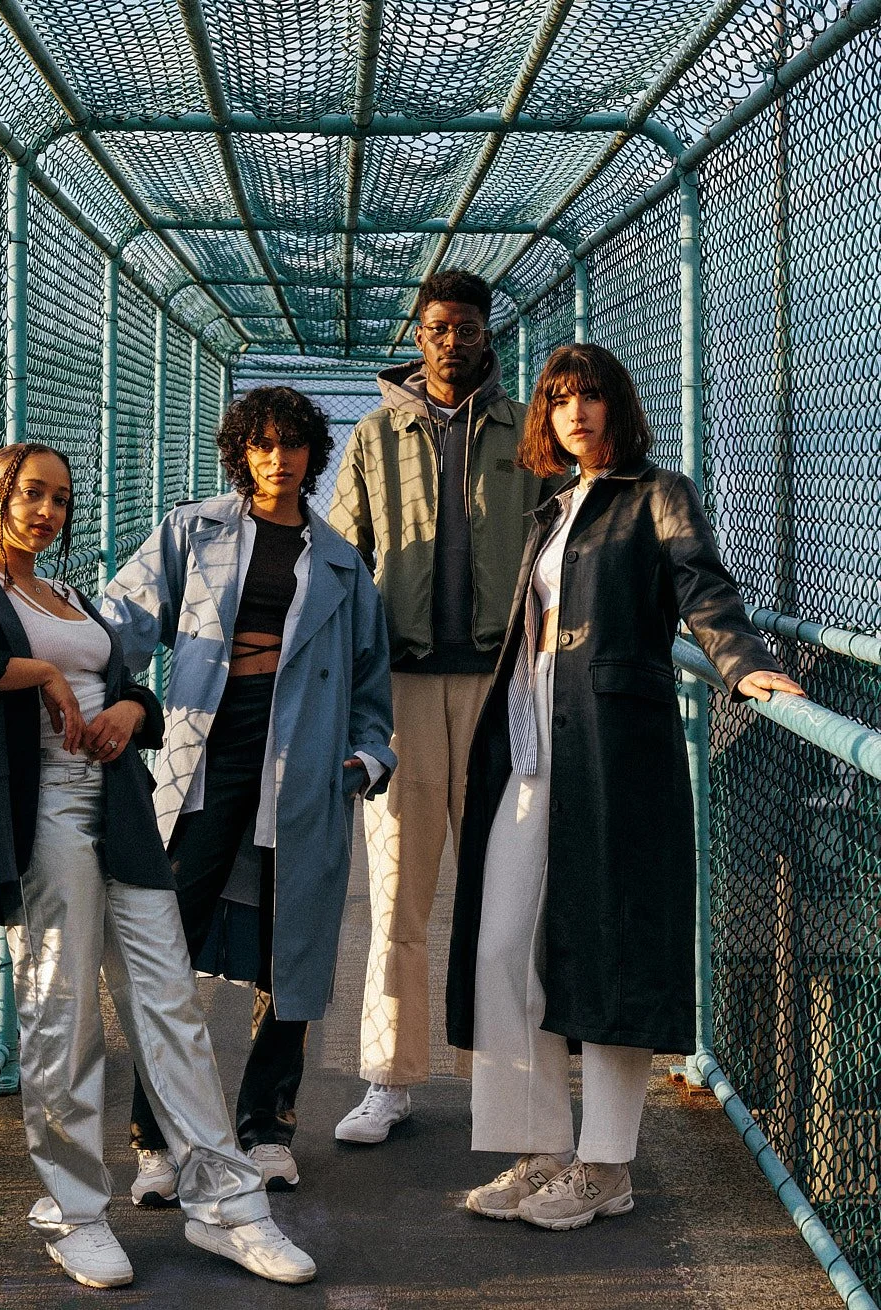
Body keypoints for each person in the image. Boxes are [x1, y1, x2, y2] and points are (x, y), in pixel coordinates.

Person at [0, 443, 316, 1290]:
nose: (47, 512)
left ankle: (227, 1206)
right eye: (31, 494)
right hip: (44, 811)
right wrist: (43, 674)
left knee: (170, 999)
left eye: (59, 500)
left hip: (121, 808)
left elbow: (133, 689)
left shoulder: (68, 592)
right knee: (64, 1014)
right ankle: (74, 1214)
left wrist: (127, 709)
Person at [446, 344, 805, 1229]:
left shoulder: (658, 493)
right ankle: (540, 1147)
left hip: (615, 744)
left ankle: (606, 1166)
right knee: (502, 943)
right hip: (533, 735)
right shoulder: (555, 503)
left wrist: (742, 663)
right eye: (560, 398)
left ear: (618, 406)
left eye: (591, 395)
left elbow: (703, 588)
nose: (575, 411)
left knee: (613, 943)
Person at [99, 387, 395, 1197]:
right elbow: (122, 622)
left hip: (304, 769)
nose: (279, 459)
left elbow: (371, 687)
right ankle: (158, 1140)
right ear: (241, 454)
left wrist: (365, 762)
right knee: (167, 944)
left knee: (289, 950)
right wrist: (65, 662)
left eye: (293, 444)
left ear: (312, 454)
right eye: (263, 445)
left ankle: (267, 1128)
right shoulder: (192, 530)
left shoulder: (342, 564)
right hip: (205, 758)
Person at [328, 269, 555, 1144]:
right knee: (399, 892)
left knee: (506, 893)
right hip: (404, 687)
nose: (451, 340)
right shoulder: (375, 434)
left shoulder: (528, 432)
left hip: (505, 686)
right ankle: (388, 1080)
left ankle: (504, 1082)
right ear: (417, 336)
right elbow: (344, 554)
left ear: (486, 332)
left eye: (465, 326)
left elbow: (560, 543)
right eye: (436, 327)